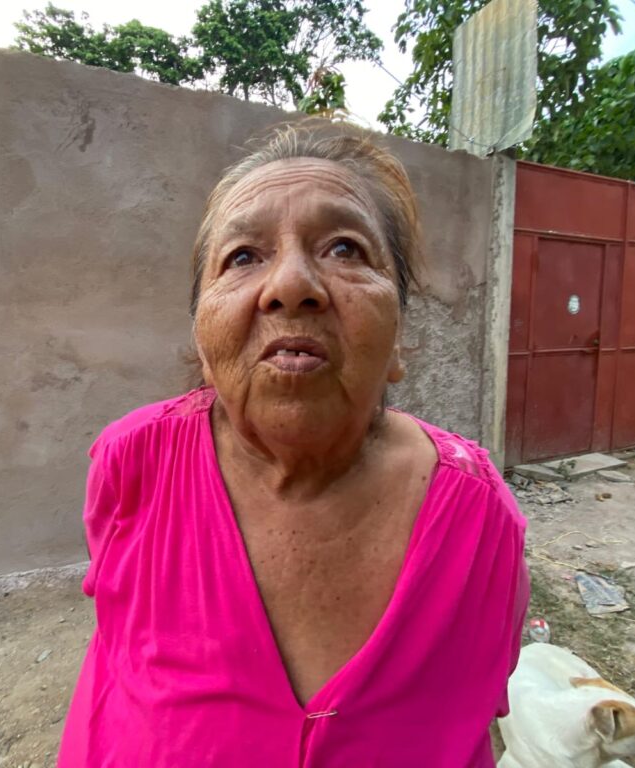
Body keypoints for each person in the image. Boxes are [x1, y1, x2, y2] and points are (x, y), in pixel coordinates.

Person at [58, 125, 529, 767]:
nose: (291, 284)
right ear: (203, 342)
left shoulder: (482, 520)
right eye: (243, 257)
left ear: (398, 337)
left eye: (345, 247)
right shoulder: (130, 464)